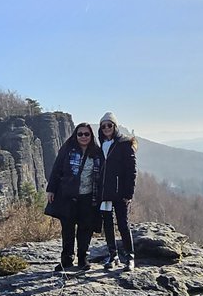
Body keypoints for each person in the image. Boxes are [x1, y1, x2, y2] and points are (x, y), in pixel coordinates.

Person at [45, 122, 103, 272]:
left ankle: (83, 258)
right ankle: (66, 260)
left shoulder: (97, 152)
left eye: (86, 134)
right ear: (75, 135)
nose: (83, 137)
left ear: (91, 135)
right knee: (68, 229)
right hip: (68, 196)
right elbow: (57, 169)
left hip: (88, 197)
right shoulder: (68, 150)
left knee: (86, 229)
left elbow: (102, 176)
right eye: (80, 134)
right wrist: (51, 190)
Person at [98, 112, 137, 271]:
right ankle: (113, 255)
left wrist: (129, 194)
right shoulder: (100, 144)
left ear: (115, 126)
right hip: (105, 193)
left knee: (123, 224)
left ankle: (130, 257)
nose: (107, 128)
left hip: (120, 193)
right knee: (107, 224)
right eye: (104, 126)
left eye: (109, 125)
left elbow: (131, 171)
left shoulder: (124, 143)